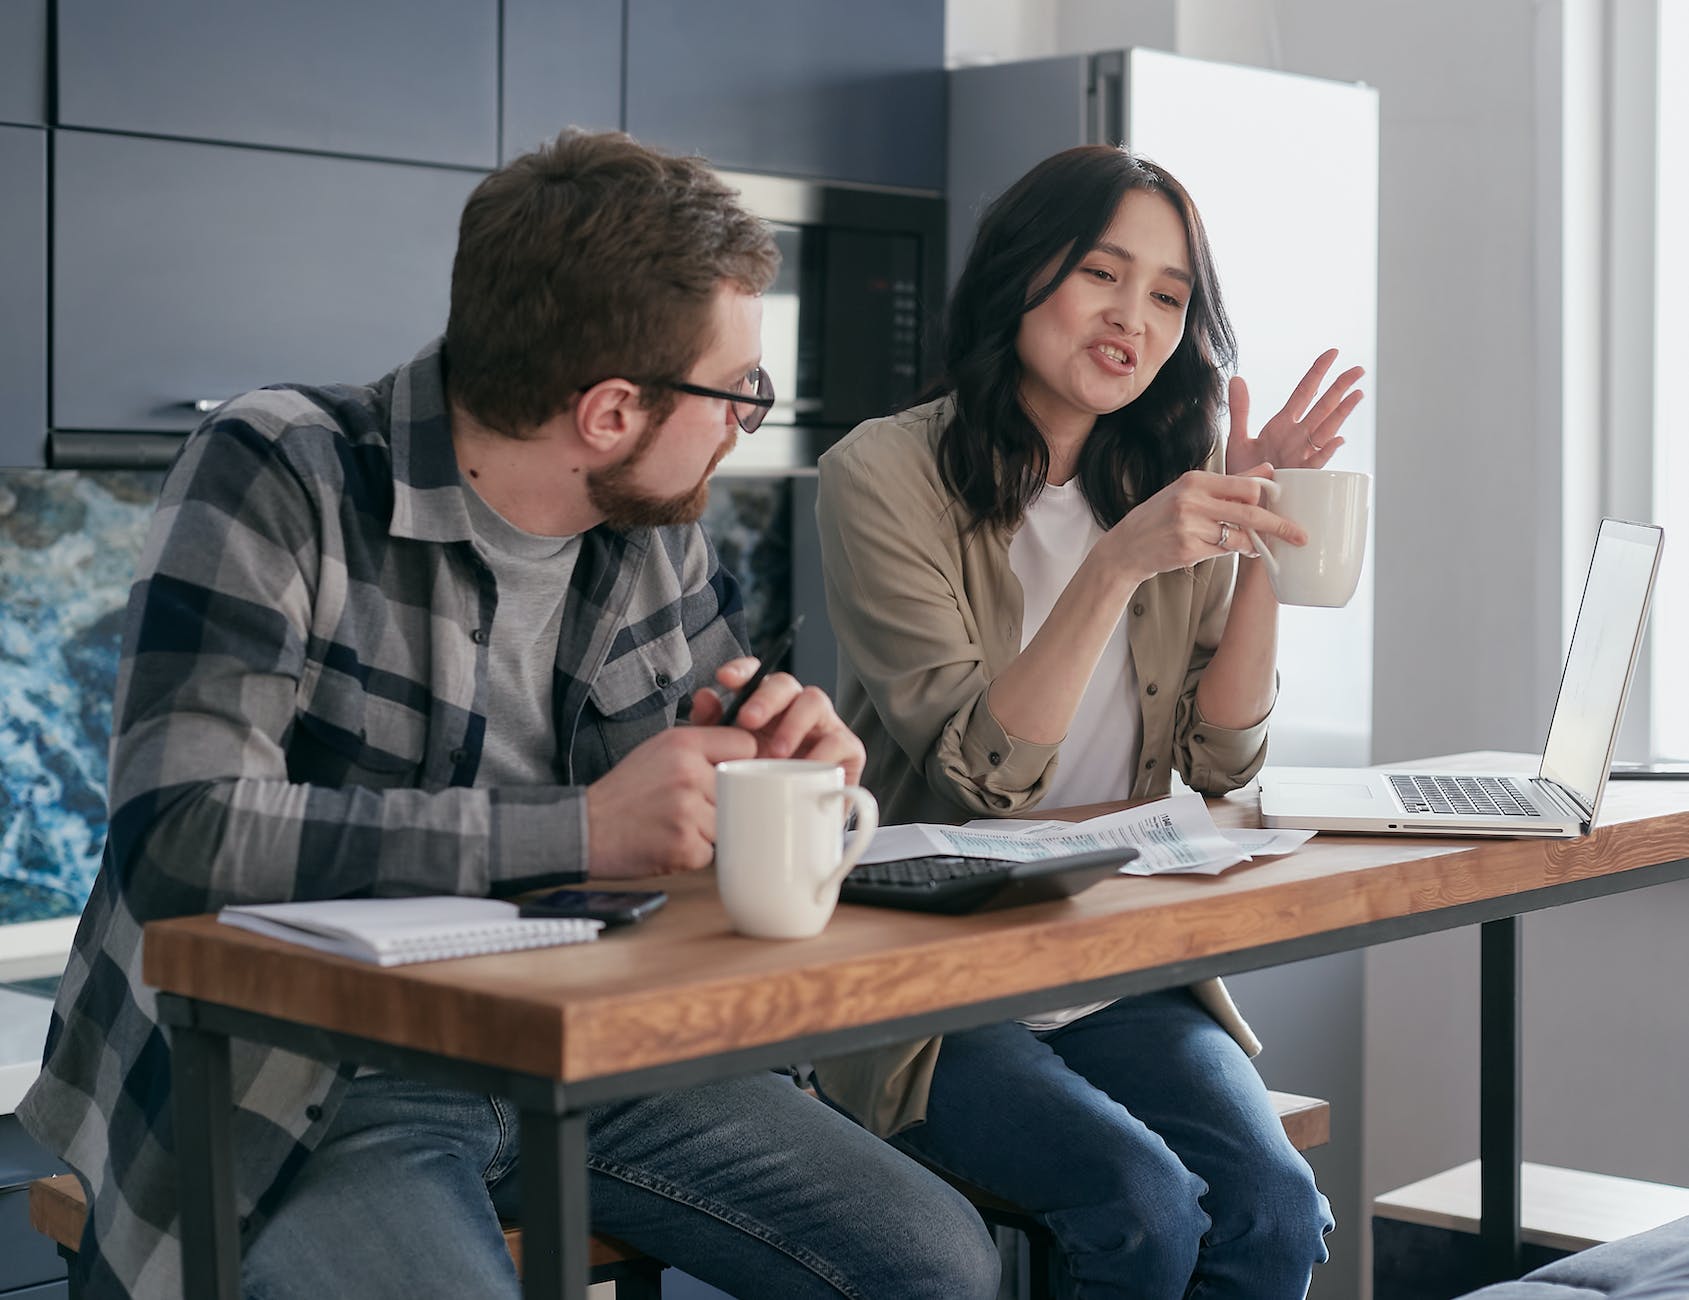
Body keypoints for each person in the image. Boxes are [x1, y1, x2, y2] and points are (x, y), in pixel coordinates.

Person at [19, 130, 1001, 1300]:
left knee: (940, 1261)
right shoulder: (282, 469)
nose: (748, 414)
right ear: (607, 410)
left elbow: (720, 726)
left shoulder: (655, 520)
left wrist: (795, 755)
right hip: (308, 1079)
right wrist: (581, 829)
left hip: (586, 1042)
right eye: (737, 387)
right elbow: (180, 833)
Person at [812, 144, 1363, 1298]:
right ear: (1024, 271)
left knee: (1274, 1211)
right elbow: (982, 773)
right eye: (1103, 274)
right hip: (937, 986)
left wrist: (1262, 533)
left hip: (1116, 961)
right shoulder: (882, 474)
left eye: (1169, 296)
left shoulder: (1164, 477)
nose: (1136, 317)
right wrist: (1114, 565)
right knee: (1143, 1211)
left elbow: (1220, 764)